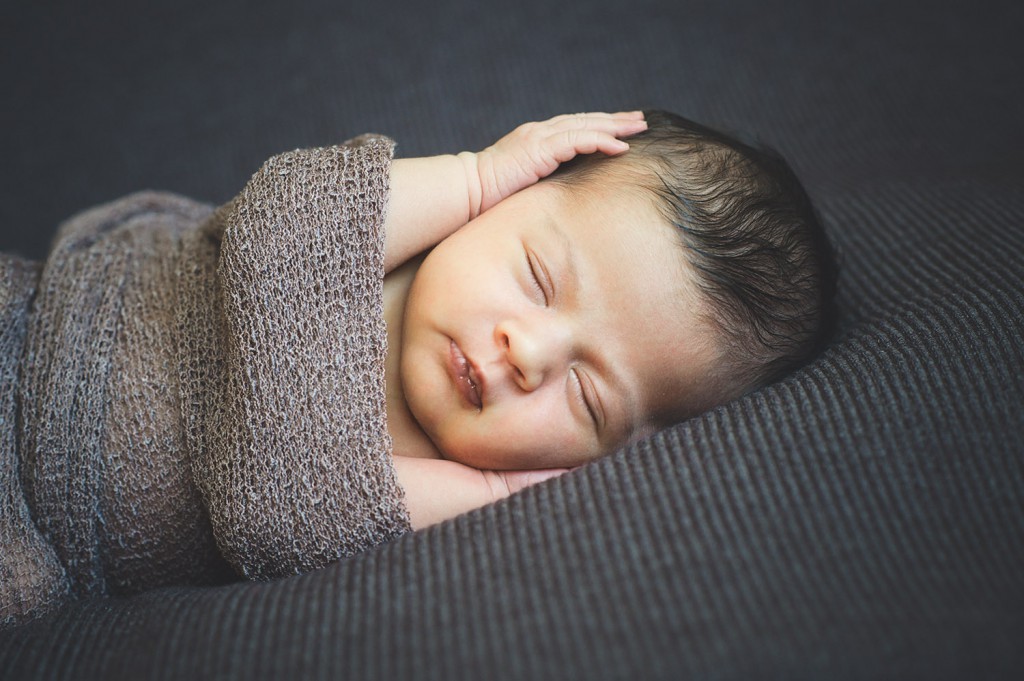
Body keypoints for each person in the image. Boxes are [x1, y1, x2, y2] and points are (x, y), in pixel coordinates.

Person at [380, 110, 837, 529]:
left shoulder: (451, 490)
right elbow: (314, 209)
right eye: (538, 279)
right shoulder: (371, 226)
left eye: (587, 397)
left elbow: (321, 513)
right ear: (514, 192)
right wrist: (474, 177)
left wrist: (496, 495)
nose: (529, 352)